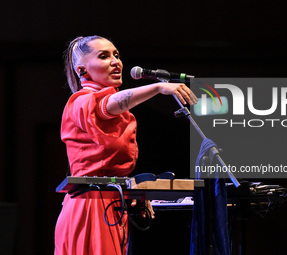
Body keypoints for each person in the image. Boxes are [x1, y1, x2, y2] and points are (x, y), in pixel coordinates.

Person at [54, 35, 197, 255]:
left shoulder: (114, 106)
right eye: (104, 56)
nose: (115, 61)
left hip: (112, 204)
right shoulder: (82, 101)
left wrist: (132, 193)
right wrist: (158, 88)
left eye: (116, 55)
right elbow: (108, 105)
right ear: (82, 70)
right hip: (90, 206)